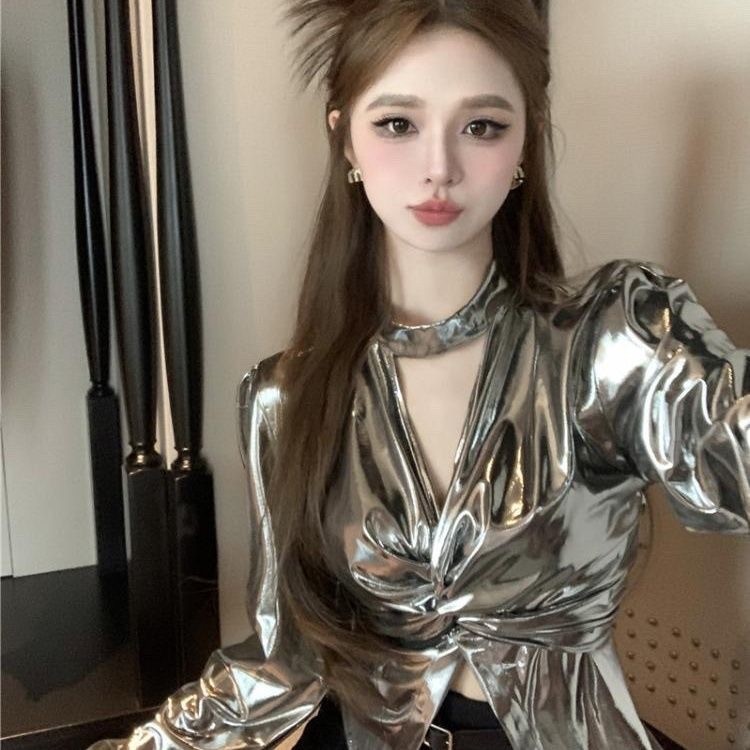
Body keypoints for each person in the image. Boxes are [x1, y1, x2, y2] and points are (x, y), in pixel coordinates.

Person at [90, 1, 750, 748]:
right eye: (398, 123)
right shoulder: (284, 397)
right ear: (345, 137)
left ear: (526, 141)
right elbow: (283, 661)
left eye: (483, 126)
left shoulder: (609, 336)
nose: (439, 167)